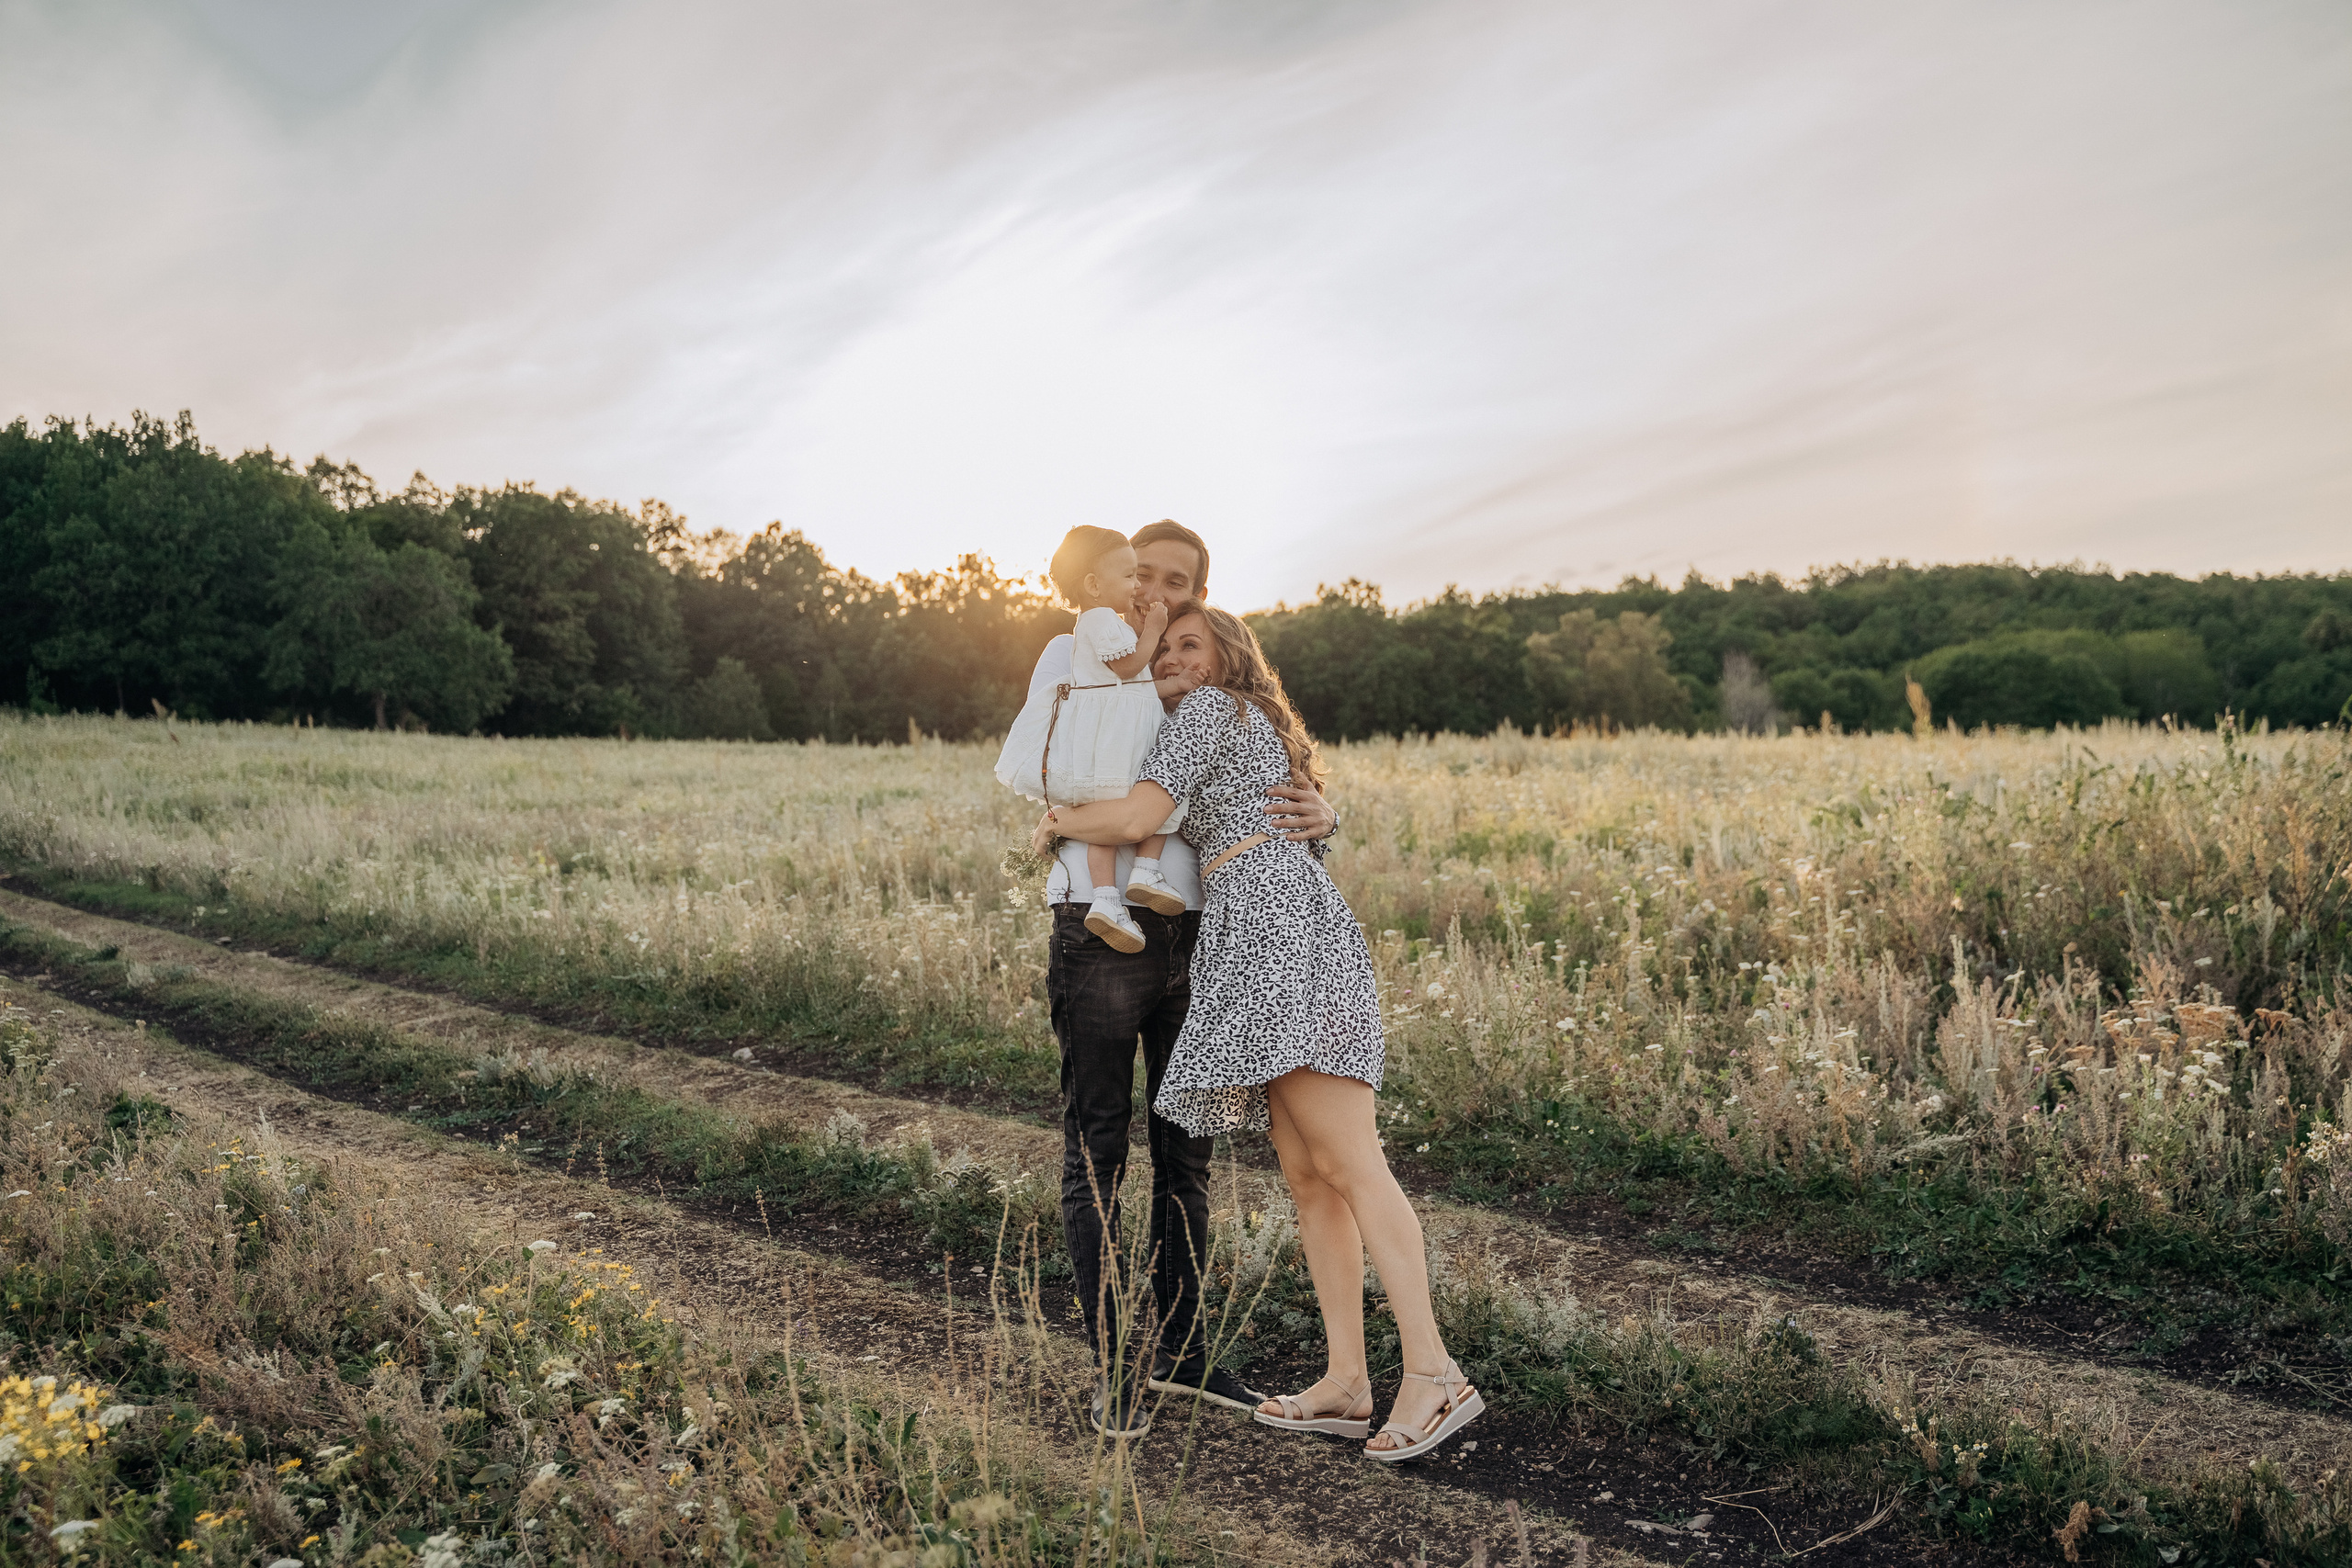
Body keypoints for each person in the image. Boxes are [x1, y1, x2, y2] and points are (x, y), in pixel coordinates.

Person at [1034, 603, 1484, 1463]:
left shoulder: (1209, 710)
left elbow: (1132, 820)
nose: (1171, 657)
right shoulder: (1230, 722)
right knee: (1309, 1173)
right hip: (1258, 930)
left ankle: (1433, 1373)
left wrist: (1057, 821)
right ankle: (1348, 1382)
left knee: (1349, 1160)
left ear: (1229, 659)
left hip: (1279, 932)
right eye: (1162, 648)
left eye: (1190, 644)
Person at [1025, 521, 1337, 1438]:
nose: (1157, 594)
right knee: (1097, 1150)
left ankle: (1188, 1354)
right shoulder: (1090, 661)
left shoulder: (1208, 691)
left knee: (1185, 1155)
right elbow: (1041, 766)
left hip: (1197, 933)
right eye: (1146, 576)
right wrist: (1056, 820)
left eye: (1177, 582)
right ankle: (1117, 1369)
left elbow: (1279, 804)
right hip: (1098, 936)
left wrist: (1322, 814)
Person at [996, 527, 1182, 953]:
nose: (1137, 587)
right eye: (1131, 576)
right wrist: (1153, 629)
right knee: (1158, 799)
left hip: (1115, 731)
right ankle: (1144, 872)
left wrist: (1173, 685)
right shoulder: (1100, 621)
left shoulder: (1101, 623)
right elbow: (1129, 669)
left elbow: (1138, 689)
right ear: (1094, 584)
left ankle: (1107, 898)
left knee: (1104, 819)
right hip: (1117, 739)